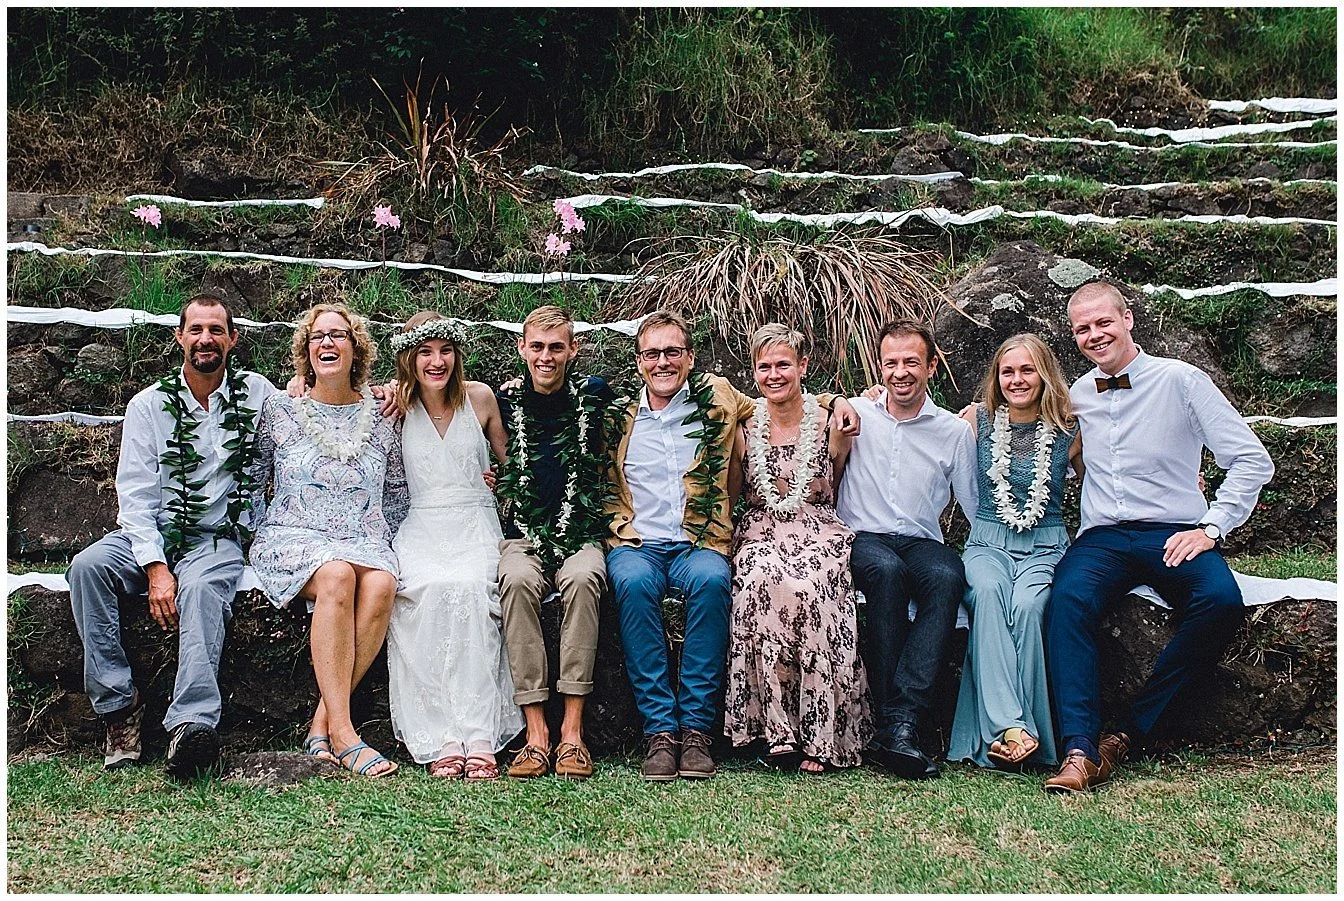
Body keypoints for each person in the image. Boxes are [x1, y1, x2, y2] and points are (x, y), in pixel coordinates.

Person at [605, 310, 859, 781]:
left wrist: (836, 397)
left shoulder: (719, 397)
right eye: (652, 354)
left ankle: (698, 731)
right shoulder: (618, 417)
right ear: (638, 362)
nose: (663, 362)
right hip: (637, 542)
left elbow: (781, 398)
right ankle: (661, 731)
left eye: (672, 352)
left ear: (690, 357)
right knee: (634, 585)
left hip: (696, 542)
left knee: (713, 580)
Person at [1043, 282, 1274, 793]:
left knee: (1219, 601)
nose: (1094, 335)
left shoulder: (1182, 381)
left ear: (1128, 318)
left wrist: (1211, 526)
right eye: (1082, 328)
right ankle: (1078, 750)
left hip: (1175, 530)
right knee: (1066, 600)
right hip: (1102, 537)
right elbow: (1013, 419)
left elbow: (1252, 460)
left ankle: (1128, 733)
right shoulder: (1077, 394)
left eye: (1103, 322)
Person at [67, 295, 275, 779]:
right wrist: (156, 566)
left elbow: (310, 400)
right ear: (180, 337)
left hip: (216, 535)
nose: (206, 339)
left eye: (217, 330)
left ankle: (191, 725)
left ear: (233, 339)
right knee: (87, 567)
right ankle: (120, 708)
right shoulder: (150, 405)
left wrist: (388, 390)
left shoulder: (258, 393)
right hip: (152, 530)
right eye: (196, 329)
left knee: (203, 589)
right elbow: (135, 496)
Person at [250, 302, 407, 778]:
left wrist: (388, 539)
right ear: (305, 350)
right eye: (318, 336)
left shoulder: (382, 413)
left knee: (381, 584)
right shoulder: (282, 408)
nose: (327, 343)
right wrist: (257, 531)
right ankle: (346, 733)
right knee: (337, 576)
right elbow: (255, 475)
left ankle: (321, 725)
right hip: (295, 536)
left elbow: (396, 490)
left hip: (363, 536)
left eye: (338, 335)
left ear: (356, 349)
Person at [381, 310, 523, 780]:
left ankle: (479, 732)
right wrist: (300, 381)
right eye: (425, 352)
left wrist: (500, 481)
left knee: (470, 588)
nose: (436, 361)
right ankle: (443, 733)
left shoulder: (479, 398)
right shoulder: (395, 403)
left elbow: (512, 467)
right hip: (421, 525)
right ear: (410, 357)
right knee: (427, 591)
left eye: (445, 351)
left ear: (457, 354)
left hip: (475, 522)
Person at [723, 324, 870, 774]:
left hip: (817, 526)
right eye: (764, 366)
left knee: (809, 586)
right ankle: (775, 730)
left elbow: (838, 477)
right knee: (757, 580)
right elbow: (734, 491)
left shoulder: (830, 420)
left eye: (783, 364)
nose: (774, 374)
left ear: (803, 366)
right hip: (761, 529)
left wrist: (837, 398)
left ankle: (821, 734)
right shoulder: (745, 427)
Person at [836, 319, 978, 780]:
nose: (901, 372)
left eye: (911, 362)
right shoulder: (856, 413)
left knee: (946, 576)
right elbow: (812, 407)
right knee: (886, 573)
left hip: (920, 540)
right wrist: (837, 399)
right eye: (891, 362)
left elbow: (975, 505)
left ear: (931, 366)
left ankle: (898, 723)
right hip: (863, 537)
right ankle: (898, 726)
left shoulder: (952, 432)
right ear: (879, 366)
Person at [947, 334, 1081, 770]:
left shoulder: (1070, 427)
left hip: (1046, 544)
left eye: (1027, 370)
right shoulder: (976, 421)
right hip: (987, 542)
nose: (1017, 380)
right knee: (986, 595)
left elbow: (1113, 472)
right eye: (1008, 371)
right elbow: (923, 432)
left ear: (1044, 375)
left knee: (1028, 606)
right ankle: (1012, 727)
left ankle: (1021, 732)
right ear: (996, 377)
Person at [495, 305, 614, 781]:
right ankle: (536, 732)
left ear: (573, 350)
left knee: (586, 578)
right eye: (537, 346)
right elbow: (430, 387)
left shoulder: (595, 395)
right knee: (518, 582)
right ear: (522, 348)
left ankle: (572, 733)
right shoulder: (503, 400)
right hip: (523, 534)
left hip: (581, 532)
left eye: (556, 347)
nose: (546, 357)